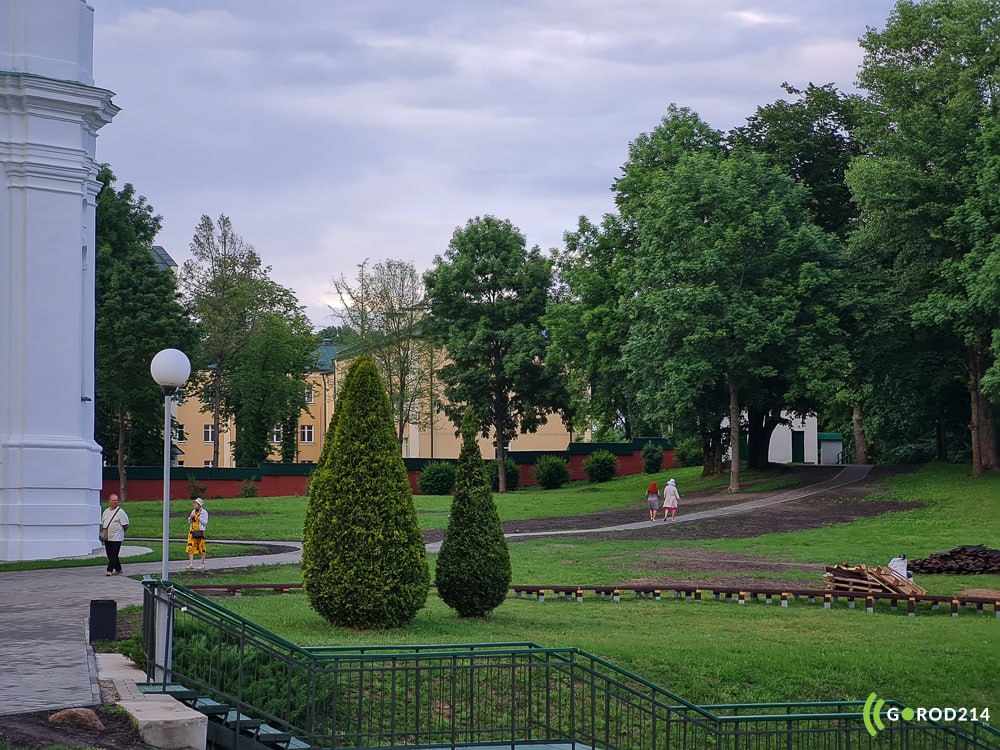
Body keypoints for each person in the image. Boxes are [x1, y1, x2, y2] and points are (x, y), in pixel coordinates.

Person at [100, 494, 129, 576]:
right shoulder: (106, 511)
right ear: (109, 501)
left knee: (114, 554)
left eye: (116, 500)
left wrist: (120, 532)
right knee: (110, 554)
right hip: (107, 536)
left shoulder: (120, 512)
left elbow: (125, 525)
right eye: (113, 500)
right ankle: (118, 569)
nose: (114, 502)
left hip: (117, 537)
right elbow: (103, 523)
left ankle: (109, 570)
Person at [186, 497, 209, 570]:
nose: (194, 504)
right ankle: (191, 563)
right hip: (192, 531)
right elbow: (189, 521)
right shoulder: (193, 511)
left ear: (199, 505)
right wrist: (191, 518)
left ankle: (202, 564)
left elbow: (205, 522)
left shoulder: (204, 512)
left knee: (201, 547)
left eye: (195, 503)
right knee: (190, 547)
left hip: (200, 531)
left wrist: (199, 517)